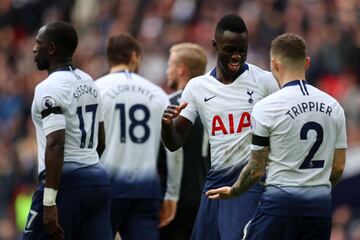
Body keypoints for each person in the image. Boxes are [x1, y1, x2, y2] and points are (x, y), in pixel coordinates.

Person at [206, 33, 347, 240]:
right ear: (307, 63)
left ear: (274, 64)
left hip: (279, 207)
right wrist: (313, 187)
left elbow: (255, 170)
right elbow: (338, 168)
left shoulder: (267, 107)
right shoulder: (334, 106)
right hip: (319, 209)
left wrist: (235, 191)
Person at [161, 13, 279, 240]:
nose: (237, 56)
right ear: (215, 46)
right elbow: (174, 142)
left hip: (249, 184)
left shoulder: (264, 82)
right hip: (215, 183)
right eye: (229, 49)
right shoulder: (197, 87)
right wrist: (166, 125)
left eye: (242, 49)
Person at [24, 21, 112, 240]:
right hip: (98, 181)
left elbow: (56, 142)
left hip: (64, 184)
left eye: (38, 43)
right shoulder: (90, 82)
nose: (34, 48)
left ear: (51, 48)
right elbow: (100, 142)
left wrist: (50, 201)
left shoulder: (49, 87)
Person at [95, 33, 179, 240]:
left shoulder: (96, 90)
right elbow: (173, 150)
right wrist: (171, 194)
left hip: (105, 188)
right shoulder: (157, 93)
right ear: (134, 56)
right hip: (145, 190)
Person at [160, 43, 211, 240]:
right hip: (205, 193)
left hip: (174, 196)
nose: (167, 71)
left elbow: (162, 151)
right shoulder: (214, 103)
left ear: (181, 70)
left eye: (170, 65)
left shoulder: (168, 103)